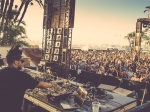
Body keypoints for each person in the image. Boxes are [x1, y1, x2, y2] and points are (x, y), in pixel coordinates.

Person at [0, 45, 59, 112]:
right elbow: (41, 85)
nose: (23, 64)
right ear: (15, 62)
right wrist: (52, 85)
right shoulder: (22, 76)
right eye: (21, 61)